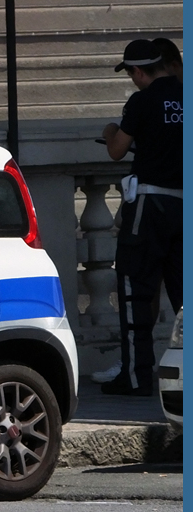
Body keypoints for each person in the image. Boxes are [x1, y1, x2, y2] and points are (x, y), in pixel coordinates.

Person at [99, 39, 182, 395]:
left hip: (148, 207)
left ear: (137, 71)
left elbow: (117, 150)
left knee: (135, 292)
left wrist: (110, 132)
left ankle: (136, 377)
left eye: (131, 73)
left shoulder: (141, 101)